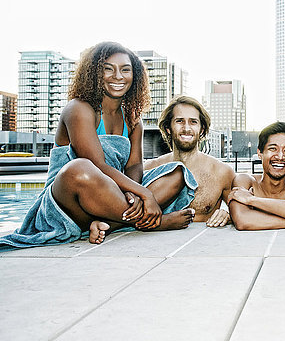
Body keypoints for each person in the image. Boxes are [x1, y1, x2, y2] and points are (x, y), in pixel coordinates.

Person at [0, 42, 197, 248]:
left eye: (125, 70)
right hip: (70, 200)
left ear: (135, 75)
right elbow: (97, 165)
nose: (118, 76)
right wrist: (144, 194)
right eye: (108, 69)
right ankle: (152, 223)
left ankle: (107, 225)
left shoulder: (132, 119)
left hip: (112, 195)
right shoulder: (79, 109)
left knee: (177, 173)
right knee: (80, 169)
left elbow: (134, 165)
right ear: (94, 73)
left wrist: (133, 193)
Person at [145, 96, 235, 227]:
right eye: (179, 121)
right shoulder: (150, 168)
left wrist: (227, 215)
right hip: (155, 245)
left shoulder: (222, 172)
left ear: (202, 129)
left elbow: (242, 211)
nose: (186, 128)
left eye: (193, 122)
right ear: (168, 128)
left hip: (203, 245)